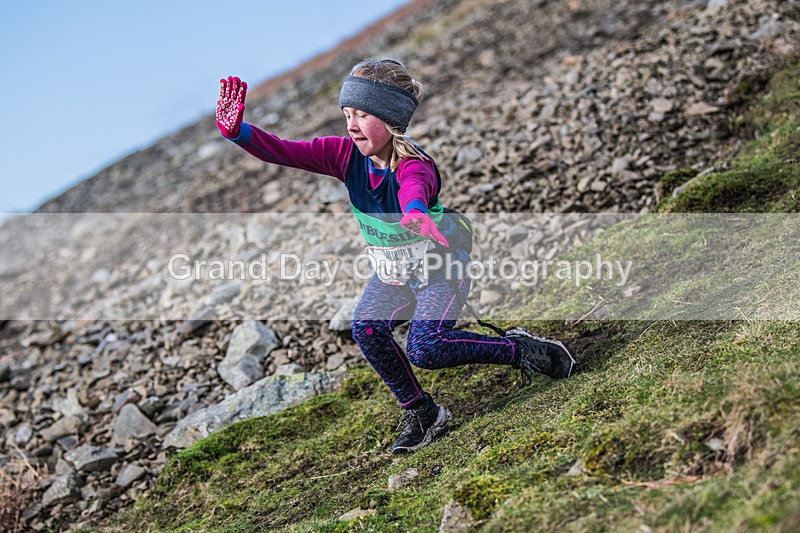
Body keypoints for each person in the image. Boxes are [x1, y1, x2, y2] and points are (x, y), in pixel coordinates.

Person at [216, 57, 575, 454]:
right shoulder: (342, 155)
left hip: (439, 267)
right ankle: (423, 413)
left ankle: (521, 350)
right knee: (366, 330)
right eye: (347, 114)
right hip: (394, 273)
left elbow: (413, 190)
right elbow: (285, 151)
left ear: (390, 120)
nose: (351, 125)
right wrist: (239, 133)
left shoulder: (414, 165)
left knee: (427, 348)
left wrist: (417, 214)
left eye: (363, 115)